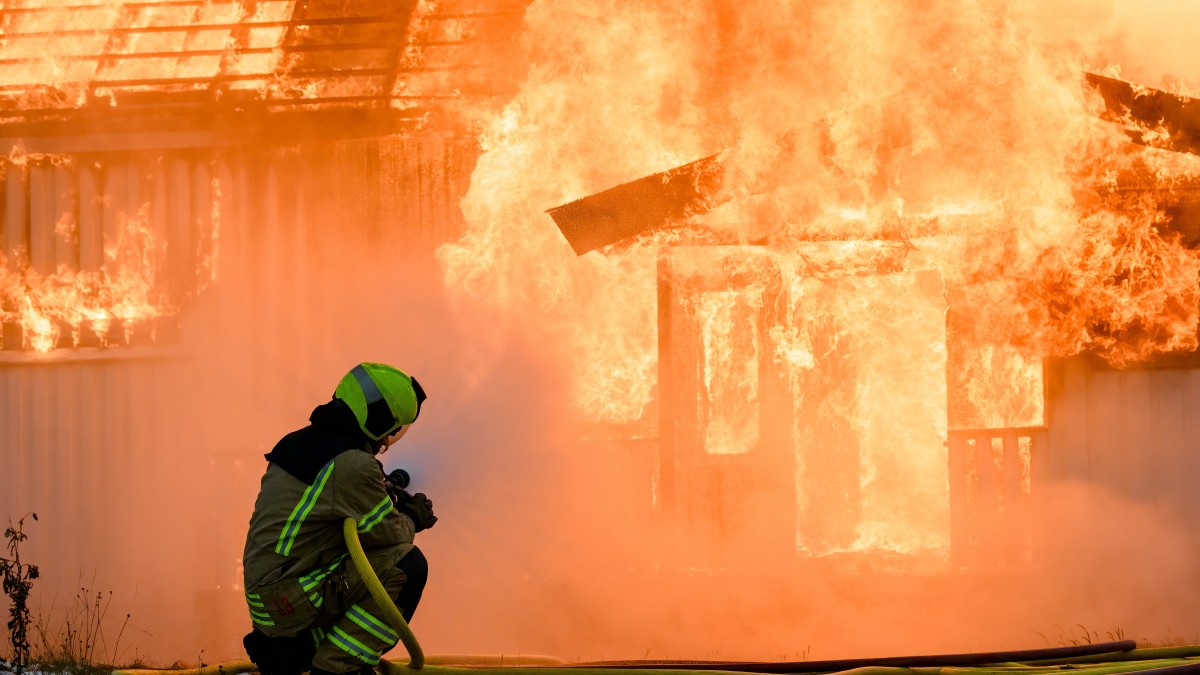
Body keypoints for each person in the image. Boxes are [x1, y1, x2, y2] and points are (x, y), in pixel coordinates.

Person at [241, 363, 437, 675]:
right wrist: (413, 516)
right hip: (288, 601)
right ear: (378, 419)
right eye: (392, 429)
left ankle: (292, 652)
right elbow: (390, 535)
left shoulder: (301, 443)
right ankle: (339, 667)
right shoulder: (350, 465)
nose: (388, 440)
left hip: (271, 600)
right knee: (407, 565)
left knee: (360, 562)